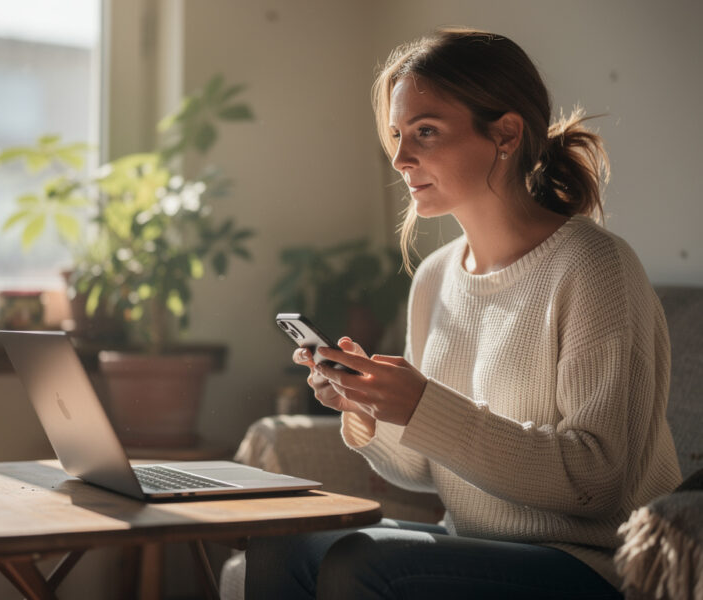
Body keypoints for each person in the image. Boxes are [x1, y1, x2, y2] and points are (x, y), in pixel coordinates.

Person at [245, 27, 682, 599]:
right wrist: (371, 407)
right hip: (476, 546)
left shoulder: (595, 267)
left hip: (598, 563)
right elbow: (425, 471)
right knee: (281, 540)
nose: (401, 158)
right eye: (398, 135)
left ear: (504, 134)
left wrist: (424, 405)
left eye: (426, 132)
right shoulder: (436, 277)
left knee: (362, 563)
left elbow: (596, 480)